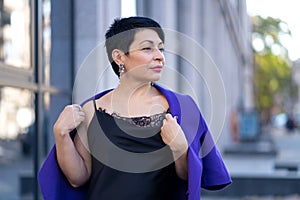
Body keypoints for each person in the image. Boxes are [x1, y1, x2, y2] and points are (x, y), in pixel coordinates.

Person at [38, 16, 231, 200]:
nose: (159, 57)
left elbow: (188, 179)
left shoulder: (183, 108)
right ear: (119, 57)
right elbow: (78, 177)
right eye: (147, 48)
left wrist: (180, 147)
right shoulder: (90, 111)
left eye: (161, 49)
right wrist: (61, 134)